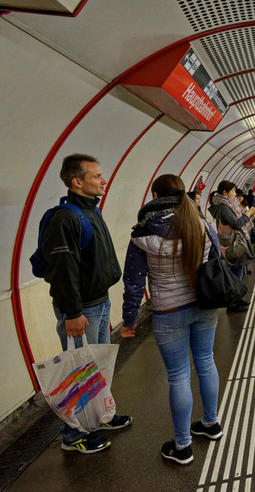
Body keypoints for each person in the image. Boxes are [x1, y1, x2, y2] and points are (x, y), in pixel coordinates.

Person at [120, 174, 223, 465]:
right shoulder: (202, 224)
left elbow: (133, 282)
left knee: (179, 376)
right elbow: (216, 262)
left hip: (168, 312)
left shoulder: (143, 235)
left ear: (155, 195)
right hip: (204, 304)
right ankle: (211, 424)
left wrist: (129, 320)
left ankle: (183, 446)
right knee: (206, 361)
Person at [39, 153, 131, 454]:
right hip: (82, 309)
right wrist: (73, 312)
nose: (103, 180)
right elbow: (63, 270)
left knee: (97, 367)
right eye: (96, 176)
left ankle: (98, 417)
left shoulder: (92, 211)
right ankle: (72, 434)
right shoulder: (66, 218)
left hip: (98, 302)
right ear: (77, 182)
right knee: (79, 371)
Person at [208, 181, 255, 312]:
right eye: (233, 192)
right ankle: (232, 303)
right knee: (236, 273)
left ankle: (237, 298)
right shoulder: (223, 207)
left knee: (240, 272)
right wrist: (249, 214)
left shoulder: (229, 205)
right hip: (233, 242)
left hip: (237, 240)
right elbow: (237, 223)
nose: (235, 195)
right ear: (225, 193)